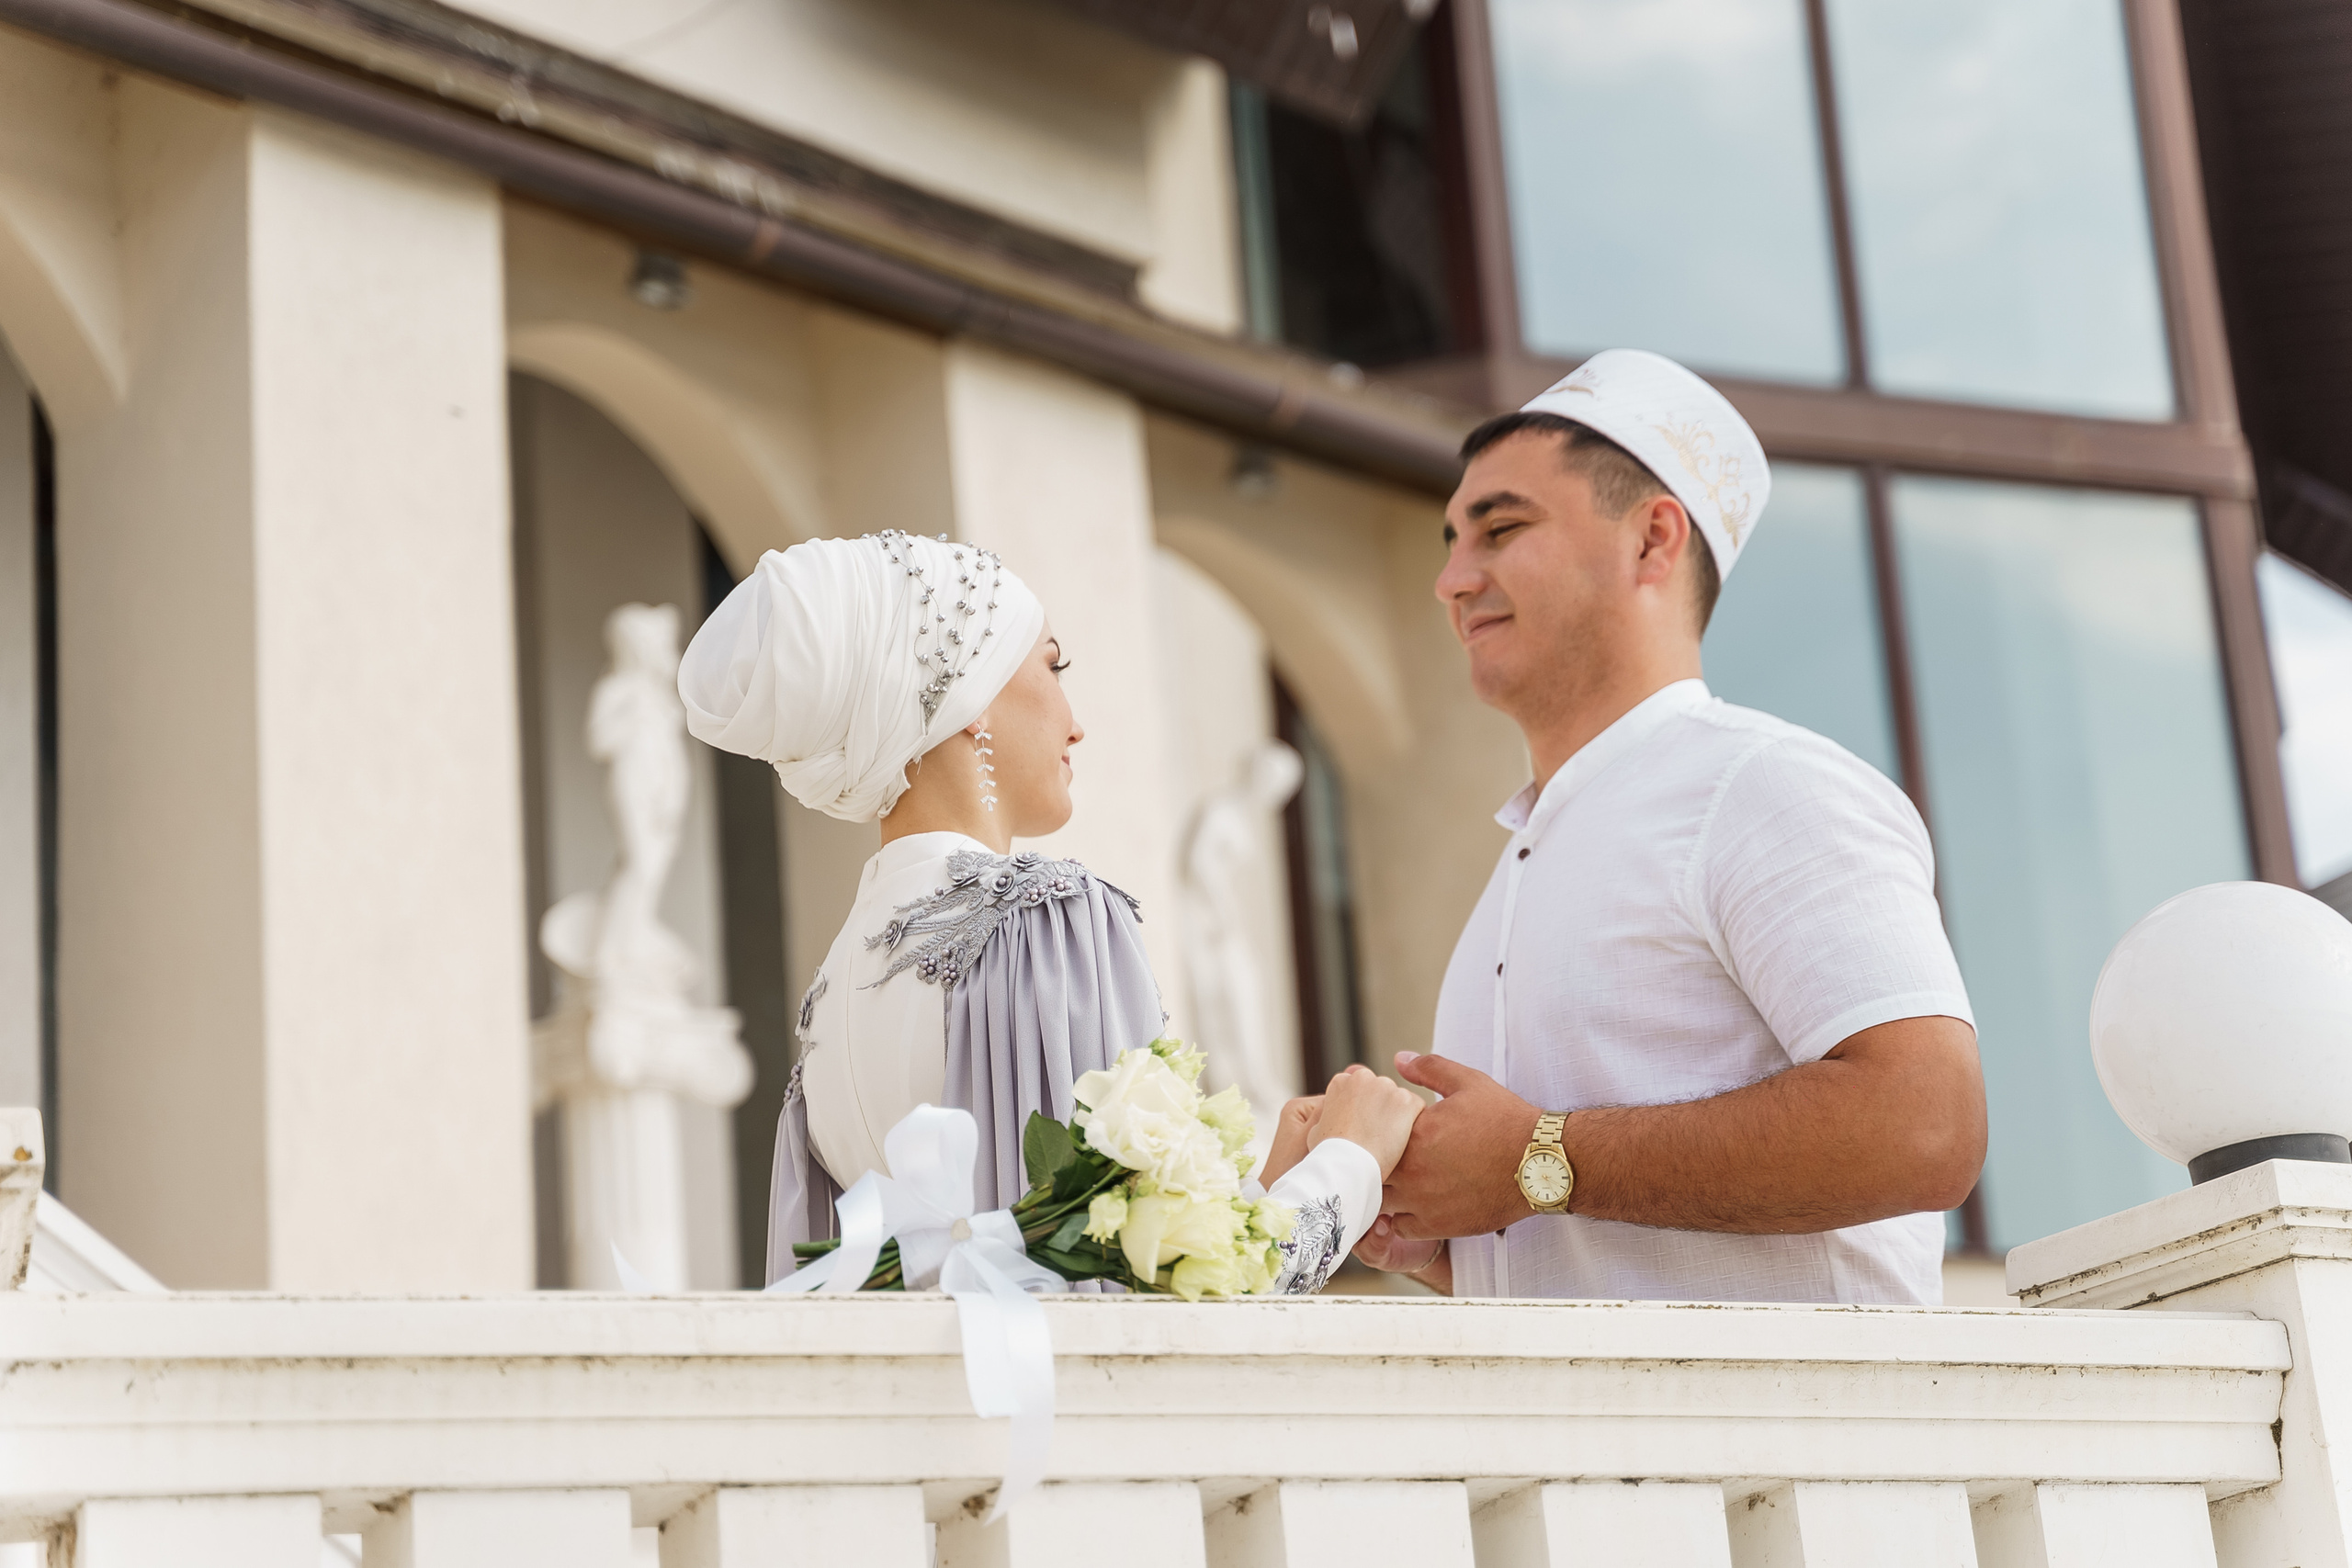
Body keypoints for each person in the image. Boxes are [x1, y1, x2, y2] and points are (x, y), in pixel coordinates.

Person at [1352, 350, 1985, 1304]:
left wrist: (1533, 1159)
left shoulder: (1762, 785)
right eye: (1452, 542)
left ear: (1652, 540)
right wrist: (1435, 1229)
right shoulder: (1527, 853)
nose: (1451, 580)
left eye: (1501, 529)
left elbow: (1926, 1124)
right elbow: (1583, 1226)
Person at [678, 530, 1421, 1295]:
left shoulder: (833, 988)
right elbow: (1159, 1307)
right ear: (971, 697)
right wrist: (1351, 1161)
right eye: (1053, 666)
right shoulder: (1043, 919)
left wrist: (1259, 1191)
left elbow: (1062, 1258)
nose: (1076, 721)